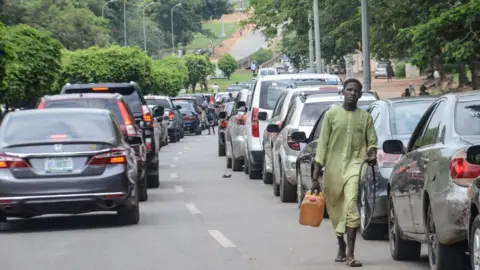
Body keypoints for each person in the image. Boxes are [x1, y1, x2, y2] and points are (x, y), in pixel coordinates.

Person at [311, 78, 378, 268]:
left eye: (356, 91)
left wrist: (372, 154)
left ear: (360, 95)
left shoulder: (365, 118)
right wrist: (316, 177)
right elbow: (322, 146)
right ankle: (341, 245)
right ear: (342, 92)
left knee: (351, 206)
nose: (352, 93)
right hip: (333, 169)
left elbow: (372, 142)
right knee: (336, 210)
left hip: (356, 166)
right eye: (349, 90)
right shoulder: (331, 116)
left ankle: (350, 254)